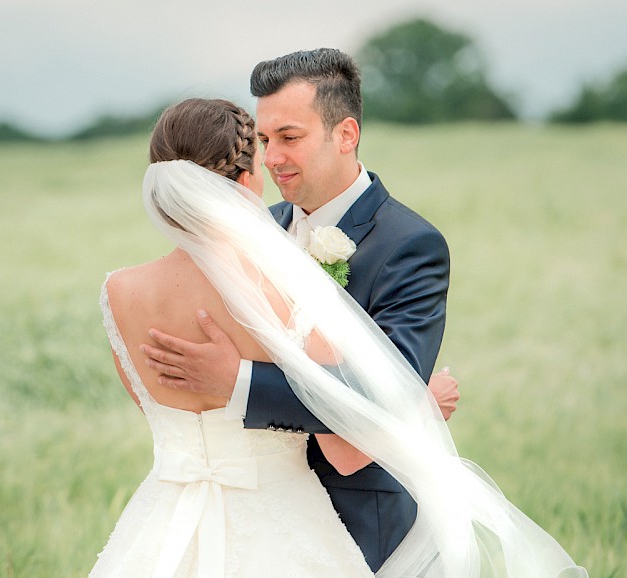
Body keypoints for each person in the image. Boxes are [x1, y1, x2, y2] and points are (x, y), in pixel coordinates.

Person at [141, 47, 457, 571]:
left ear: (346, 134)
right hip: (249, 514)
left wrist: (238, 380)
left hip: (361, 519)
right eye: (264, 140)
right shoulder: (248, 228)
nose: (270, 158)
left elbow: (382, 394)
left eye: (290, 137)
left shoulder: (410, 244)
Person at [90, 97, 398, 577]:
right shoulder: (288, 287)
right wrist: (416, 405)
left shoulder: (119, 293)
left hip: (162, 530)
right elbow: (347, 449)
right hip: (282, 530)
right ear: (246, 177)